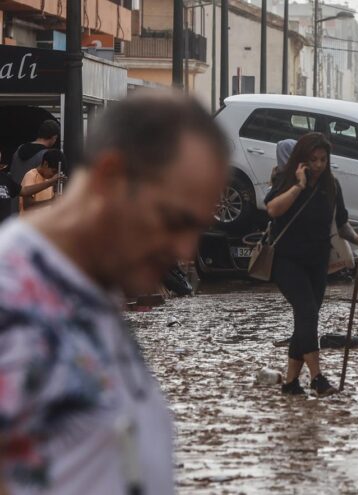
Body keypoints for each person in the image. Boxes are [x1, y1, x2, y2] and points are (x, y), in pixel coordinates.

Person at [0, 90, 229, 493]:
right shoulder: (13, 305)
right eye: (175, 220)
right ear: (110, 177)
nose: (185, 250)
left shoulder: (91, 288)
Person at [265, 132, 358, 397]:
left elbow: (341, 222)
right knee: (308, 312)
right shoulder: (286, 180)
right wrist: (299, 186)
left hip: (317, 262)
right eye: (314, 160)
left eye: (323, 159)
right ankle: (317, 378)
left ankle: (290, 383)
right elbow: (273, 210)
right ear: (302, 159)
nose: (319, 165)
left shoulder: (331, 185)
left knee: (305, 321)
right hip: (287, 261)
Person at [9, 119, 60, 214]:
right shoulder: (47, 157)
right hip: (32, 211)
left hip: (13, 206)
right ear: (54, 137)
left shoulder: (18, 150)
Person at [0, 151, 60, 223]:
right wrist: (50, 201)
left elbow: (24, 191)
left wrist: (50, 183)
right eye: (53, 171)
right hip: (29, 224)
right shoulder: (31, 175)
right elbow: (27, 206)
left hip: (5, 229)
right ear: (45, 164)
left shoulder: (4, 178)